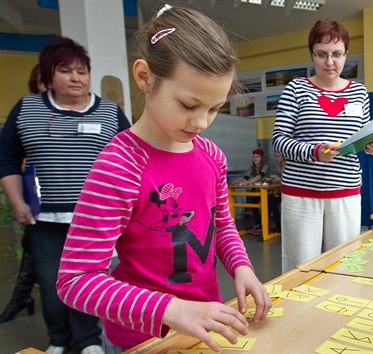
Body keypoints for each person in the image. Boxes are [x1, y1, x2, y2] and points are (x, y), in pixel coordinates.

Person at [55, 6, 271, 353]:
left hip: (205, 330)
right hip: (140, 341)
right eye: (188, 105)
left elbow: (221, 225)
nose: (202, 122)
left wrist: (241, 266)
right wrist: (169, 309)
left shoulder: (211, 157)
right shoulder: (119, 165)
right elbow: (76, 281)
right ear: (144, 77)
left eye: (214, 108)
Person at [0, 36, 130, 354]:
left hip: (98, 219)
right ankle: (58, 338)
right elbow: (6, 157)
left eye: (82, 71)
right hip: (44, 217)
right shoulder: (27, 109)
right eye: (66, 70)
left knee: (90, 278)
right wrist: (17, 201)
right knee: (49, 282)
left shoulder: (110, 113)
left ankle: (87, 340)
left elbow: (132, 160)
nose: (76, 78)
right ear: (48, 75)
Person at [272, 19, 373, 272]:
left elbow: (364, 135)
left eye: (336, 54)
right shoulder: (296, 89)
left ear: (346, 55)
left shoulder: (359, 92)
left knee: (344, 265)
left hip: (345, 192)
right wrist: (314, 152)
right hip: (301, 194)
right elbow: (279, 141)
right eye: (322, 54)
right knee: (300, 267)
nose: (330, 62)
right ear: (312, 55)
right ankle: (297, 312)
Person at [0, 63, 46, 325]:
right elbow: (9, 157)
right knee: (35, 250)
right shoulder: (27, 111)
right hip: (35, 196)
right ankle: (22, 296)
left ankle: (21, 297)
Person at [234, 149, 269, 235]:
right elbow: (246, 177)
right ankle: (258, 225)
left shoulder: (265, 166)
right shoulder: (251, 167)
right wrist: (239, 183)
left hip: (266, 191)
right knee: (254, 206)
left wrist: (249, 182)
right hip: (256, 190)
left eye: (257, 157)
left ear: (261, 158)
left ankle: (264, 225)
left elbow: (260, 176)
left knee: (266, 207)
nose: (255, 159)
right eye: (254, 157)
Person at [268, 150, 285, 234]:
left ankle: (279, 227)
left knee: (273, 202)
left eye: (278, 156)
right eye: (275, 156)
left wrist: (280, 179)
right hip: (280, 191)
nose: (276, 158)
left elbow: (288, 178)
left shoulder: (287, 165)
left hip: (286, 193)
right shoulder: (279, 166)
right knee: (271, 201)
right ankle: (277, 227)